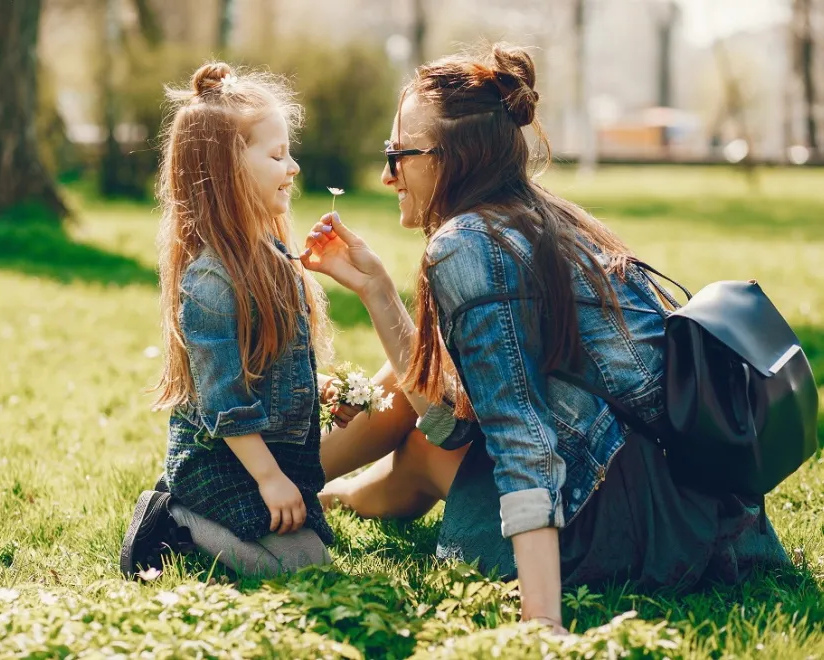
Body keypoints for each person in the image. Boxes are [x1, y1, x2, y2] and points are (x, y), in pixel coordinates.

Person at [302, 43, 789, 630]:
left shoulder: (467, 244)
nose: (387, 175)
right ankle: (322, 494)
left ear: (452, 156)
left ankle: (280, 490)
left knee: (428, 444)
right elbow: (455, 417)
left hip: (638, 519)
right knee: (421, 410)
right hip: (699, 505)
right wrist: (378, 289)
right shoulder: (539, 216)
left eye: (398, 154)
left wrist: (542, 623)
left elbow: (521, 439)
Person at [119, 62, 359, 579]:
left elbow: (270, 368)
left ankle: (231, 525)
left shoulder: (274, 254)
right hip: (221, 462)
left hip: (274, 456)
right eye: (277, 155)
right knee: (297, 568)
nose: (293, 167)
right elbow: (222, 399)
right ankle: (175, 519)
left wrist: (325, 394)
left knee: (313, 557)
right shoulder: (211, 281)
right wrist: (269, 480)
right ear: (228, 170)